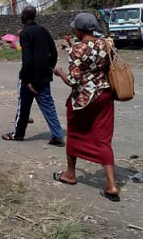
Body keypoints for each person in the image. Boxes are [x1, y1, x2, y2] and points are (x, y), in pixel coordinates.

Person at [52, 13, 119, 202]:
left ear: (80, 30)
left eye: (74, 27)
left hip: (83, 99)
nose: (73, 29)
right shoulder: (107, 43)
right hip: (105, 95)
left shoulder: (77, 50)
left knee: (74, 133)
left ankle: (70, 174)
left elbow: (73, 81)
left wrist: (60, 73)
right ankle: (112, 185)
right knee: (104, 139)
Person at [3, 7, 65, 146]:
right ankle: (57, 134)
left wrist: (27, 80)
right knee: (48, 106)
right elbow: (53, 51)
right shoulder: (43, 30)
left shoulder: (25, 33)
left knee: (23, 107)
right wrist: (49, 67)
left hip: (29, 78)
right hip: (44, 77)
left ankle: (18, 134)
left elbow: (27, 59)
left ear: (25, 16)